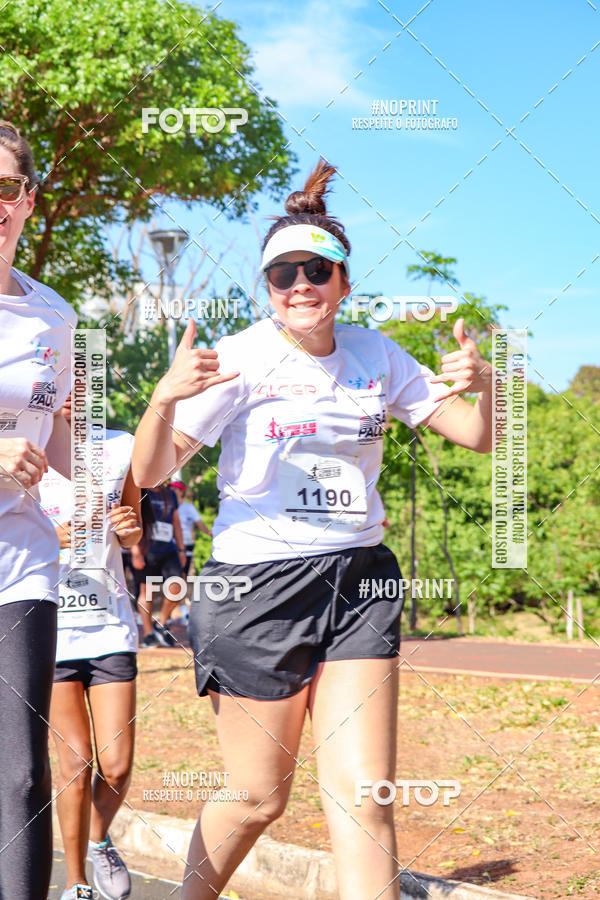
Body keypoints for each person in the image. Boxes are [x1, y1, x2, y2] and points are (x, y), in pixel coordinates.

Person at [131, 159, 494, 899]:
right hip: (254, 588)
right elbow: (149, 471)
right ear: (267, 289)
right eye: (282, 273)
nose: (301, 283)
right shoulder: (237, 358)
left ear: (343, 282)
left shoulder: (377, 354)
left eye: (317, 269)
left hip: (359, 577)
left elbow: (478, 434)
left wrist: (488, 384)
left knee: (365, 801)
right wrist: (163, 397)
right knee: (261, 797)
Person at [0, 121, 77, 899]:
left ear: (25, 198)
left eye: (3, 187)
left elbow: (57, 431)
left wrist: (82, 488)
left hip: (20, 558)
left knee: (21, 776)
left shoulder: (55, 316)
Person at [39, 396, 142, 900]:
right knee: (75, 763)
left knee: (117, 764)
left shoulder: (121, 448)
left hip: (109, 627)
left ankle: (100, 840)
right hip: (53, 629)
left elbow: (132, 528)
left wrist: (128, 530)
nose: (71, 397)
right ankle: (76, 883)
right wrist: (48, 537)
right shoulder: (23, 453)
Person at [134, 483, 186, 647]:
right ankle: (149, 633)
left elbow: (176, 522)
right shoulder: (142, 491)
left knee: (177, 586)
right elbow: (134, 520)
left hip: (168, 550)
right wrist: (135, 551)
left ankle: (161, 624)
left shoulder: (170, 494)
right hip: (147, 549)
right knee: (147, 591)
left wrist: (181, 549)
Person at [169, 480, 212, 579]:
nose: (172, 491)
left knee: (182, 573)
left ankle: (181, 594)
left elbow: (200, 524)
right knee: (169, 575)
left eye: (175, 489)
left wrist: (210, 533)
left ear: (181, 491)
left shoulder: (189, 507)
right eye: (170, 488)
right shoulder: (167, 505)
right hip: (170, 543)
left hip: (186, 543)